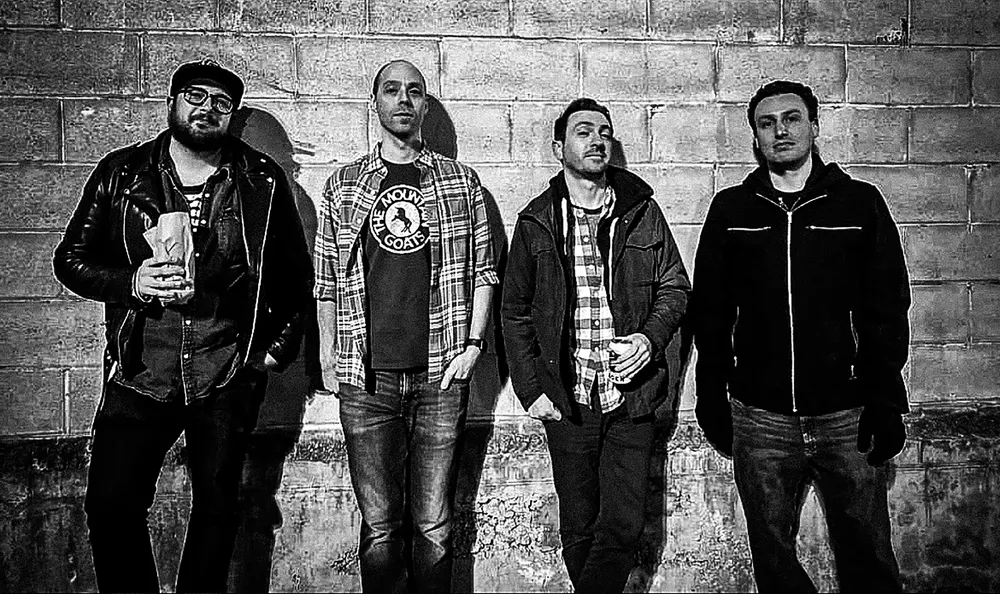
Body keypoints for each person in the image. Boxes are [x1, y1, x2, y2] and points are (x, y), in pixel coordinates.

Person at [52, 58, 314, 593]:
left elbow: (294, 278)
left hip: (224, 373)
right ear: (171, 103)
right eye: (195, 95)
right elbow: (70, 259)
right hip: (140, 372)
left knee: (218, 511)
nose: (207, 109)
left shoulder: (261, 180)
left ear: (232, 116)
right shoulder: (122, 173)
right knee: (111, 506)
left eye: (221, 102)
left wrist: (268, 356)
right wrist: (133, 281)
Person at [692, 80, 911, 592]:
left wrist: (885, 399)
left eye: (791, 119)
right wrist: (711, 394)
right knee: (773, 556)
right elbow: (711, 312)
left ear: (814, 126)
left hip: (846, 414)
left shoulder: (858, 204)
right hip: (760, 417)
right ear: (756, 137)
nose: (780, 131)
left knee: (868, 552)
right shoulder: (732, 210)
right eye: (767, 124)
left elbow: (886, 307)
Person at [313, 59, 498, 593]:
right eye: (391, 90)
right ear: (375, 103)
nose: (403, 100)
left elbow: (485, 271)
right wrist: (327, 356)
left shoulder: (460, 181)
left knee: (435, 526)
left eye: (414, 91)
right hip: (365, 378)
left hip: (441, 375)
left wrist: (473, 345)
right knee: (379, 528)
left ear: (424, 105)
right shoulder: (345, 184)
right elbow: (325, 280)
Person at [501, 98, 690, 593]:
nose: (597, 140)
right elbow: (513, 311)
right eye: (583, 132)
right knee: (579, 526)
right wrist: (530, 390)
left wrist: (649, 339)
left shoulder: (641, 212)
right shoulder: (537, 220)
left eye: (605, 132)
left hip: (631, 397)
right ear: (559, 148)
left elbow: (675, 287)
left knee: (623, 526)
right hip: (568, 398)